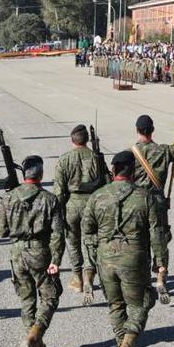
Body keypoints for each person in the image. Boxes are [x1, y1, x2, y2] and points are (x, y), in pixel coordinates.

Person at [82, 150, 166, 347]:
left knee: (116, 305)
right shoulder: (145, 197)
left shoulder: (97, 196)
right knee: (144, 300)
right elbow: (157, 233)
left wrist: (96, 253)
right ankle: (127, 345)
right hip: (134, 258)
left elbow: (87, 230)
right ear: (134, 171)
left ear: (113, 170)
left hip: (106, 259)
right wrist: (160, 263)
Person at [0, 155, 64, 347]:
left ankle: (34, 342)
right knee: (51, 296)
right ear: (41, 174)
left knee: (26, 300)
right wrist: (56, 260)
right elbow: (58, 234)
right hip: (39, 252)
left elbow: (1, 231)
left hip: (17, 254)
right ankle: (36, 334)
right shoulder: (50, 199)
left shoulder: (8, 198)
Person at [130, 114, 174, 299]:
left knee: (139, 238)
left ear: (137, 130)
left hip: (138, 202)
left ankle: (143, 277)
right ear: (152, 130)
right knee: (160, 236)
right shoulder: (164, 151)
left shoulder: (131, 153)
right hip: (157, 201)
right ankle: (161, 276)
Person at [53, 124, 109, 303]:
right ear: (86, 140)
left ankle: (77, 277)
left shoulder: (64, 159)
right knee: (91, 242)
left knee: (73, 242)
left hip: (71, 204)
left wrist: (58, 211)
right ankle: (89, 276)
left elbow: (59, 191)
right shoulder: (96, 158)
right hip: (92, 204)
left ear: (72, 140)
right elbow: (107, 182)